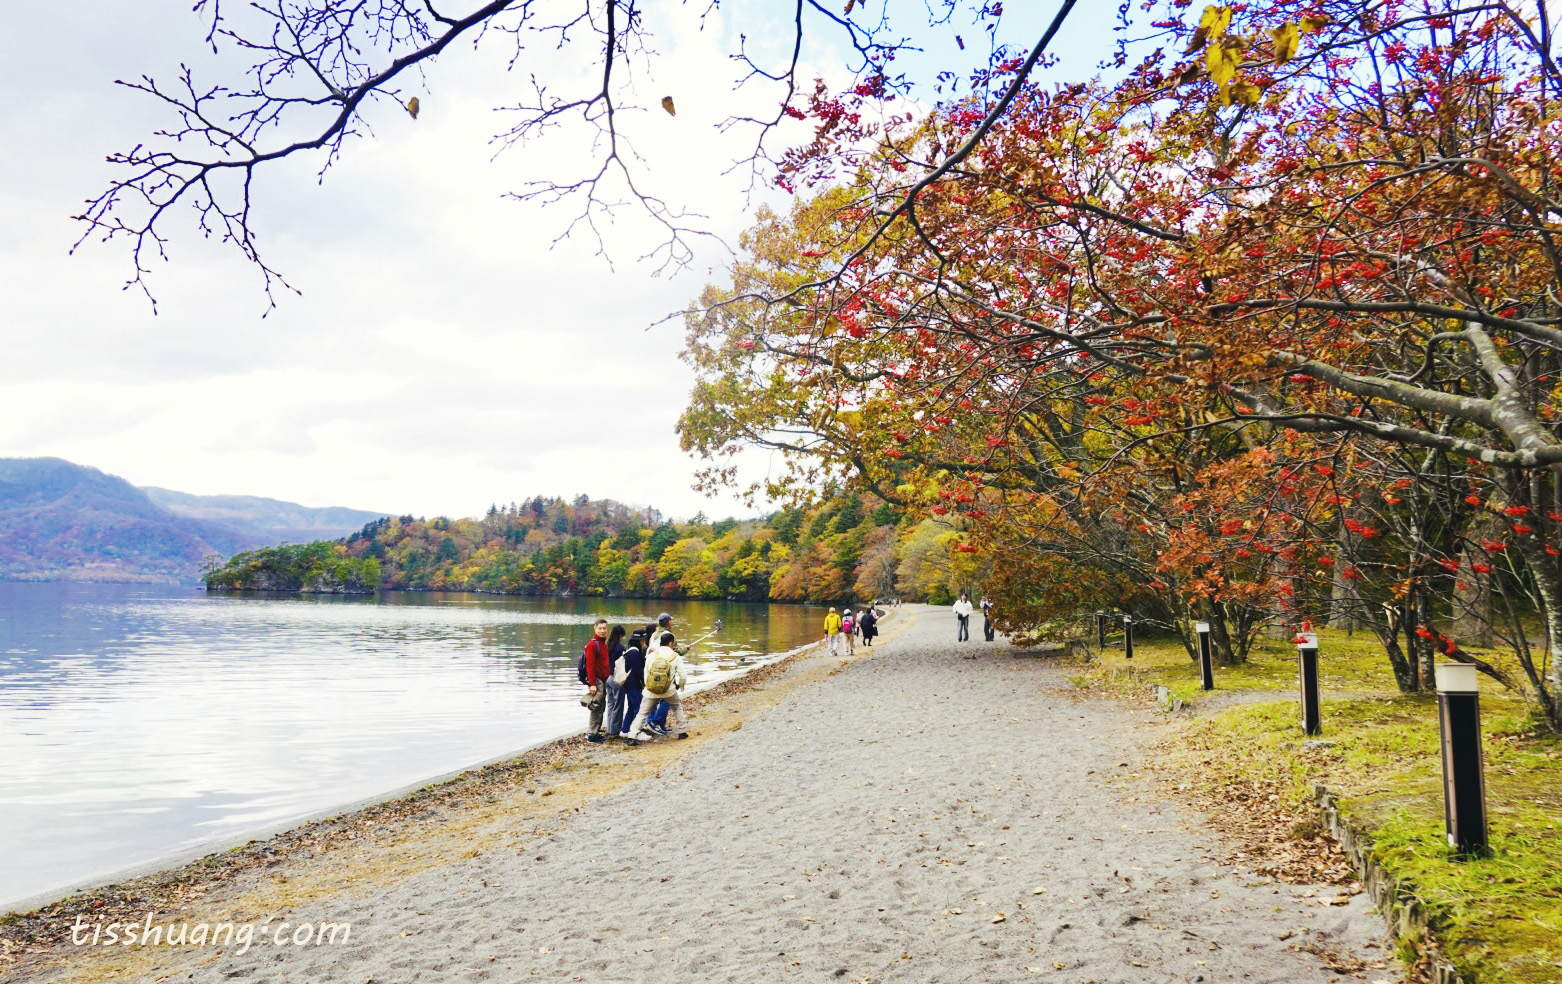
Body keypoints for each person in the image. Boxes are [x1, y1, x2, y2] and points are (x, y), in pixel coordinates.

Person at [626, 631, 688, 745]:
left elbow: (646, 674)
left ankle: (632, 736)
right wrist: (679, 685)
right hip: (669, 690)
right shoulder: (675, 656)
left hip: (651, 691)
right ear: (671, 643)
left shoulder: (651, 655)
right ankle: (682, 731)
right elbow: (683, 675)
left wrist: (648, 686)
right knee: (676, 707)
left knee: (642, 713)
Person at [581, 618, 611, 742]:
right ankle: (592, 735)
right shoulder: (592, 645)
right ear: (595, 628)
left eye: (604, 628)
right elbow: (590, 666)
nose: (602, 631)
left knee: (601, 707)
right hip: (597, 680)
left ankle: (596, 731)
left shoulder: (603, 643)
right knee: (596, 707)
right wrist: (592, 684)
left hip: (603, 680)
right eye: (600, 628)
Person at [616, 630, 647, 739]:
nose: (644, 642)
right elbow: (638, 670)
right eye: (643, 640)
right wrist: (643, 682)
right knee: (639, 708)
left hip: (628, 684)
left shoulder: (629, 651)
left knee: (631, 707)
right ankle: (636, 732)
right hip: (634, 685)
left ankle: (624, 730)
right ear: (640, 640)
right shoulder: (635, 653)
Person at [603, 624, 628, 738]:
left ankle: (609, 727)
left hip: (608, 678)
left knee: (610, 704)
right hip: (616, 678)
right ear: (620, 635)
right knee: (618, 705)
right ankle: (615, 730)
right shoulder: (620, 648)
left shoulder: (607, 646)